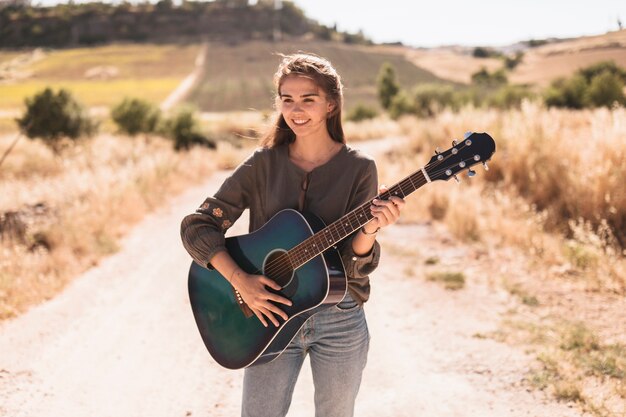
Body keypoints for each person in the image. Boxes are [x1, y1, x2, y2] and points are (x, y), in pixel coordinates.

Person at [180, 53, 405, 417]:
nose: (296, 109)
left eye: (308, 99)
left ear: (331, 104)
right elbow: (197, 226)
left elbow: (354, 265)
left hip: (339, 317)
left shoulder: (360, 168)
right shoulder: (262, 163)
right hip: (267, 314)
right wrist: (241, 280)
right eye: (287, 99)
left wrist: (371, 229)